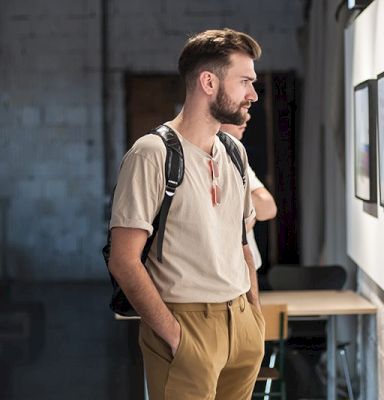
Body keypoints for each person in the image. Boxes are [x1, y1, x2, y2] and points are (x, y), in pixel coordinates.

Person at [108, 28, 265, 400]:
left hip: (240, 322)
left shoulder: (235, 153)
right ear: (208, 82)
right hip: (185, 324)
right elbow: (123, 260)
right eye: (244, 81)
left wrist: (253, 319)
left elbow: (242, 242)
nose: (253, 94)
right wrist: (176, 336)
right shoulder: (151, 154)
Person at [221, 114, 277, 270]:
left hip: (246, 269)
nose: (248, 117)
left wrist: (241, 203)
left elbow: (269, 208)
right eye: (239, 109)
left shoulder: (235, 153)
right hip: (222, 273)